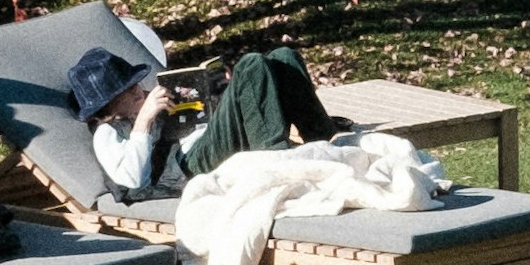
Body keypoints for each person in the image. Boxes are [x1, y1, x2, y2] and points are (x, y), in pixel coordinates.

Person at [67, 28, 336, 203]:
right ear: (108, 106)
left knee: (282, 57)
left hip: (206, 141)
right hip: (189, 167)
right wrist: (145, 119)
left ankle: (326, 138)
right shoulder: (106, 134)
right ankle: (278, 159)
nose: (138, 89)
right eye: (128, 90)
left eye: (135, 83)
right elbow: (133, 179)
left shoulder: (140, 106)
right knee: (251, 65)